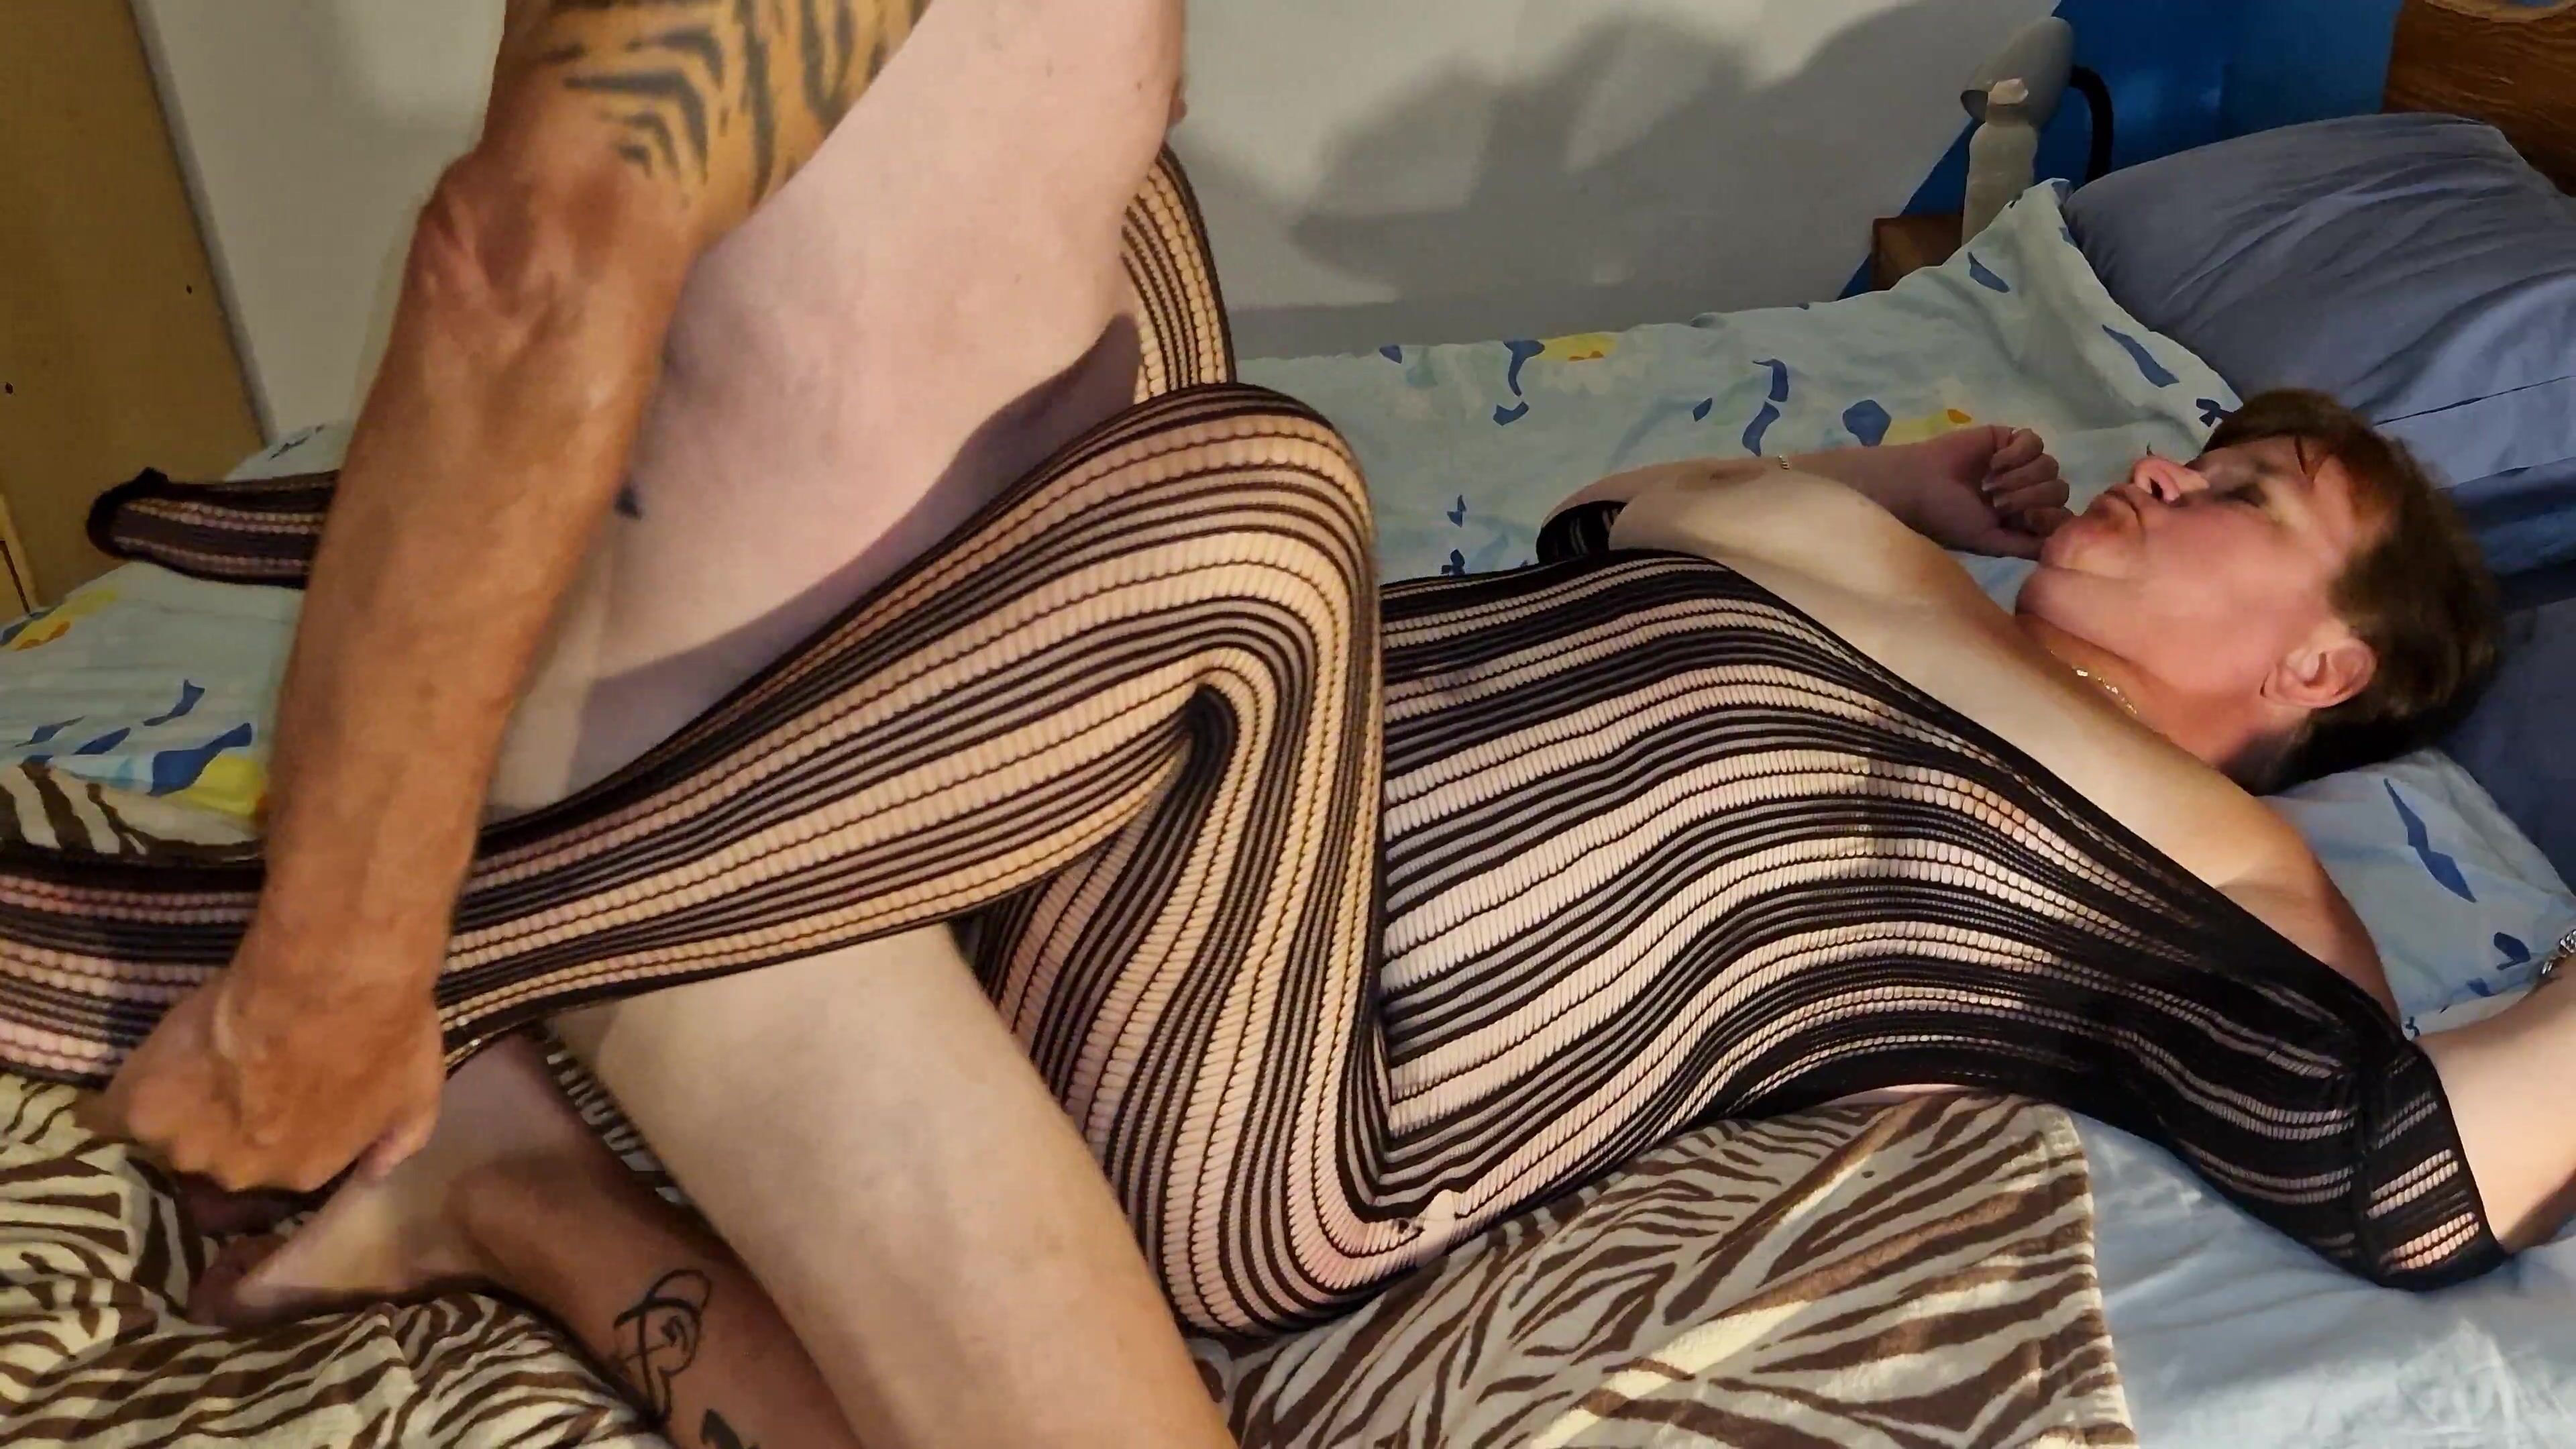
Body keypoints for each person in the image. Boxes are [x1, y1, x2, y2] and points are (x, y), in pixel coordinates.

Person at [1, 7, 2541, 1449]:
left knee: (1262, 502)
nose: (2160, 466)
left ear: (2323, 673)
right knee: (1135, 272)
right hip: (1113, 803)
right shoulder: (1862, 550)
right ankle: (540, 930)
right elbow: (1616, 525)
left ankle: (350, 947)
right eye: (2195, 445)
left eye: (2240, 493)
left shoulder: (2214, 871)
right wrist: (1884, 483)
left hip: (1302, 1086)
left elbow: (2419, 1172)